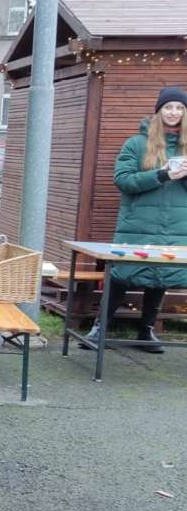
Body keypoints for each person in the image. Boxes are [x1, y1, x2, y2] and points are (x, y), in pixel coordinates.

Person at [83, 86, 187, 353]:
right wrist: (161, 174)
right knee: (122, 273)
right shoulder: (137, 143)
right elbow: (123, 180)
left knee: (161, 276)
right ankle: (99, 328)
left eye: (179, 108)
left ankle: (146, 331)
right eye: (168, 107)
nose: (173, 112)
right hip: (138, 224)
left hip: (177, 226)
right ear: (159, 111)